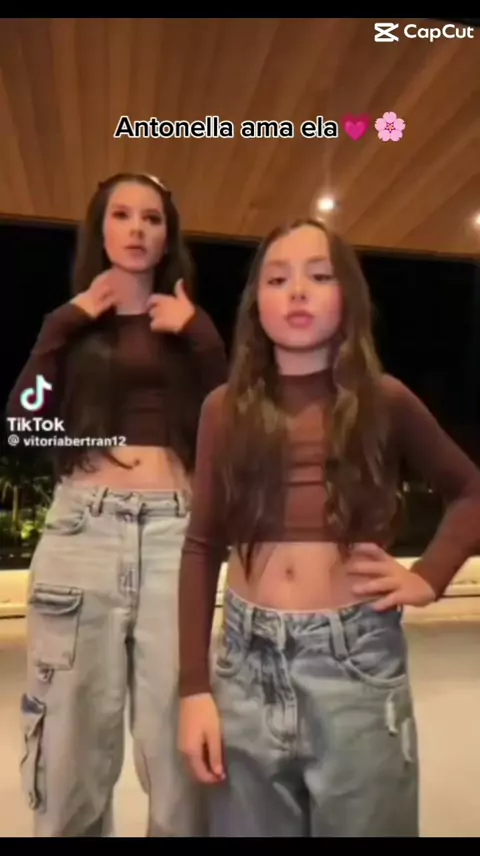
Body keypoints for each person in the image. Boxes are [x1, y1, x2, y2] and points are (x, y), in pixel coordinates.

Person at [177, 219, 480, 837]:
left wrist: (429, 576)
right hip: (244, 666)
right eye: (277, 279)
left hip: (355, 665)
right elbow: (202, 545)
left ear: (348, 297)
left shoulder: (384, 399)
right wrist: (193, 690)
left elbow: (471, 491)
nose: (297, 291)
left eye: (319, 276)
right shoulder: (222, 409)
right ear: (255, 304)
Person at [7, 173, 227, 837]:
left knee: (180, 752)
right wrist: (60, 325)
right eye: (122, 215)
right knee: (70, 747)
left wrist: (203, 337)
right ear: (99, 230)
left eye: (152, 218)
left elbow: (235, 430)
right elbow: (23, 424)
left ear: (167, 237)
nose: (137, 229)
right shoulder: (75, 330)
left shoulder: (187, 329)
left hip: (175, 535)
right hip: (85, 532)